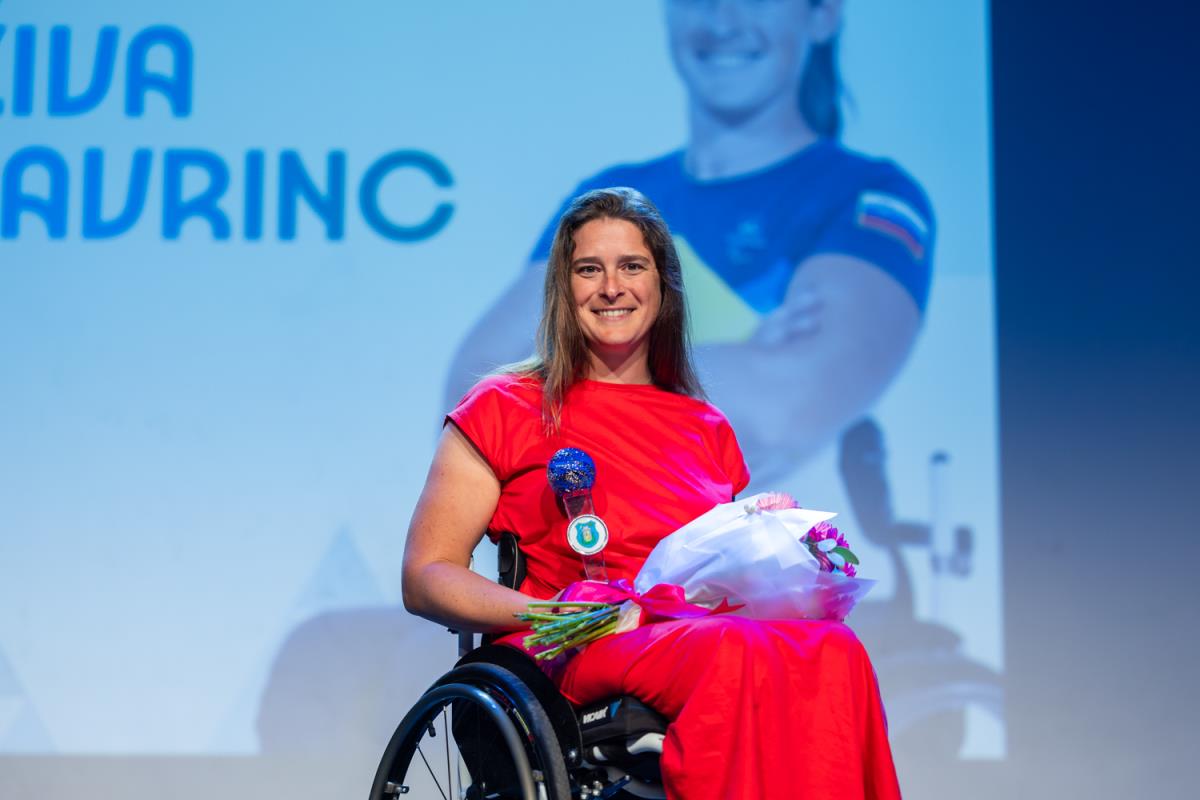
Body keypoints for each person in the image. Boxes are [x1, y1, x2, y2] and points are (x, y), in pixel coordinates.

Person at [404, 187, 901, 798]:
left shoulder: (706, 429)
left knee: (835, 648)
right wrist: (550, 614)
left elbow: (716, 571)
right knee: (732, 650)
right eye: (589, 269)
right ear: (563, 288)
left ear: (663, 286)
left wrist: (772, 547)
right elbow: (426, 574)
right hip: (576, 643)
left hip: (686, 629)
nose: (612, 288)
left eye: (632, 266)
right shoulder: (504, 407)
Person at [444, 0, 934, 488]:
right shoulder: (610, 194)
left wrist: (573, 372)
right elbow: (474, 396)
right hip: (594, 540)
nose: (723, 21)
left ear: (822, 14)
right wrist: (734, 357)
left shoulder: (865, 196)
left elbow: (779, 411)